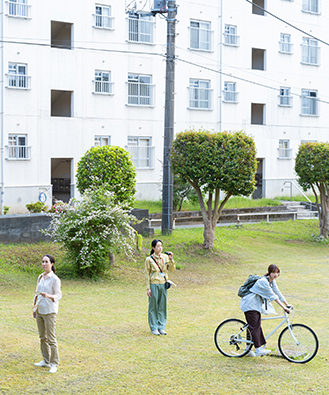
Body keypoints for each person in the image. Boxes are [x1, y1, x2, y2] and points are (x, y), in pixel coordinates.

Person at [240, 264, 292, 357]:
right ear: (269, 272)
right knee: (255, 326)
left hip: (255, 305)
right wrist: (284, 308)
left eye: (277, 273)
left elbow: (277, 292)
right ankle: (258, 349)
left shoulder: (272, 281)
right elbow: (273, 296)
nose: (276, 275)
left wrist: (287, 304)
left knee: (252, 325)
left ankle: (247, 349)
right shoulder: (263, 281)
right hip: (250, 303)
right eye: (274, 273)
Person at [33, 254, 62, 373]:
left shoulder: (55, 279)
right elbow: (36, 293)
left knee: (51, 338)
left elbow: (58, 295)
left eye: (46, 262)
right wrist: (34, 308)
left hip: (49, 311)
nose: (44, 264)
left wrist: (48, 296)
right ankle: (46, 361)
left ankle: (54, 363)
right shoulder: (40, 276)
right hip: (40, 310)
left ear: (52, 264)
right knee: (42, 337)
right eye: (42, 261)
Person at [144, 239, 175, 335]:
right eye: (158, 246)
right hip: (154, 284)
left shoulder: (165, 257)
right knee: (153, 306)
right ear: (153, 248)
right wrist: (148, 288)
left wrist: (171, 259)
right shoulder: (149, 259)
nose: (160, 248)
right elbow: (147, 274)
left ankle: (161, 326)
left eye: (161, 246)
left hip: (163, 284)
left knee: (162, 305)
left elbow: (172, 269)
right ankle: (154, 327)